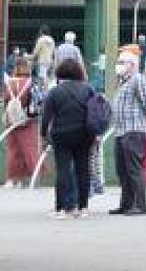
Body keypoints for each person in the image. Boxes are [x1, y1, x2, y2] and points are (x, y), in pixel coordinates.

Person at [40, 60, 95, 218]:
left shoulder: (55, 92)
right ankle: (83, 208)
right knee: (83, 170)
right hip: (84, 134)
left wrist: (43, 136)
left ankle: (61, 209)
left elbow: (46, 117)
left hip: (61, 135)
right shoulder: (88, 89)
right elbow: (95, 111)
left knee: (63, 170)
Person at [110, 52, 146, 216]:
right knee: (122, 170)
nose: (119, 65)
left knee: (134, 169)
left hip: (134, 130)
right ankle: (126, 203)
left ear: (133, 65)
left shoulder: (138, 79)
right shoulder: (123, 82)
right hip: (121, 131)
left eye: (122, 62)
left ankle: (140, 205)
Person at [1, 60, 39, 187]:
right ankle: (32, 177)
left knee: (13, 149)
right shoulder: (30, 83)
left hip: (11, 120)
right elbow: (35, 101)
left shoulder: (9, 83)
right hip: (26, 120)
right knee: (29, 148)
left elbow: (5, 100)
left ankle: (13, 179)